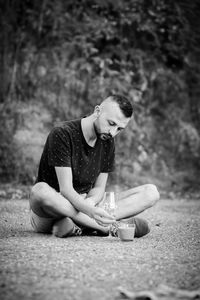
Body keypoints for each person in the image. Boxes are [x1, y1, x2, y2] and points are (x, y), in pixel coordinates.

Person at [29, 94, 160, 238]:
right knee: (39, 190)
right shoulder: (62, 133)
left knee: (151, 192)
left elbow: (99, 188)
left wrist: (90, 204)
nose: (113, 133)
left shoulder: (107, 141)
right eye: (111, 123)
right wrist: (90, 210)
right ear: (97, 111)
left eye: (119, 129)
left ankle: (80, 225)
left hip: (86, 205)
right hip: (54, 208)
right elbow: (66, 190)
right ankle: (108, 227)